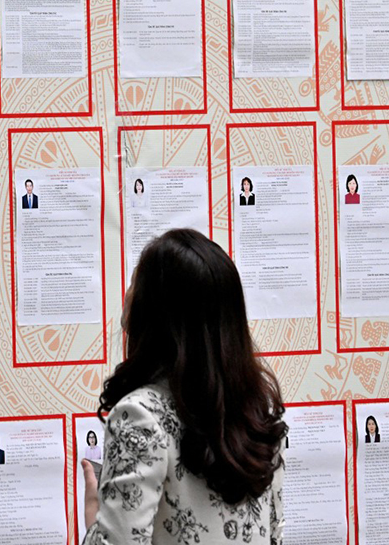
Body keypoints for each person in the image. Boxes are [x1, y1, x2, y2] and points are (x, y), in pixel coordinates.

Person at [80, 229, 286, 543]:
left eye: (136, 281)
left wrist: (95, 516)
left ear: (156, 311)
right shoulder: (258, 415)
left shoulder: (139, 415)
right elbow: (275, 535)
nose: (127, 291)